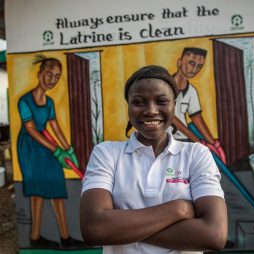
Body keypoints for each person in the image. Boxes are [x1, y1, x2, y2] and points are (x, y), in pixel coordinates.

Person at [80, 65, 228, 254]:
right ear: (128, 107)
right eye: (139, 102)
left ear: (174, 104)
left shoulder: (196, 154)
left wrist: (118, 227)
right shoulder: (107, 153)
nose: (151, 110)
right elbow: (94, 229)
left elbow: (214, 236)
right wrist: (179, 209)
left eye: (161, 101)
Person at [17, 55, 82, 249]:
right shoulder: (24, 101)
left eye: (56, 76)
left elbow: (55, 127)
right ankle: (38, 237)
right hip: (29, 148)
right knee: (38, 191)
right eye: (49, 74)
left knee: (55, 187)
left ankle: (62, 237)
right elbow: (30, 129)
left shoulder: (50, 102)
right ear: (39, 74)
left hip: (46, 146)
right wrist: (57, 150)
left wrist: (68, 149)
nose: (52, 80)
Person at [171, 48, 226, 164]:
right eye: (191, 63)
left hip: (184, 140)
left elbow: (197, 118)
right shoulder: (163, 87)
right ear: (179, 62)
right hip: (162, 140)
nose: (195, 69)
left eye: (199, 66)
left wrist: (214, 144)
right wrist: (200, 143)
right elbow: (172, 118)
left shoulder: (191, 91)